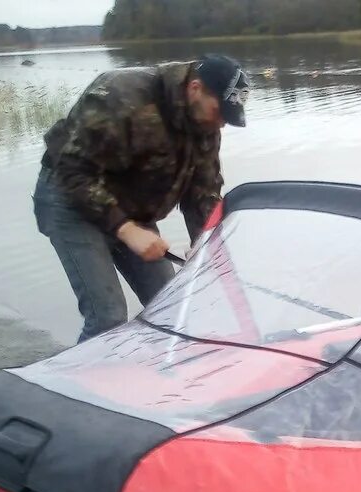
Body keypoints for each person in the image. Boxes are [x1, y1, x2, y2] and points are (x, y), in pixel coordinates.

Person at [32, 54, 251, 343]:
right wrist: (126, 230)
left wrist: (206, 246)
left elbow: (204, 193)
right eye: (219, 112)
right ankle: (73, 385)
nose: (222, 123)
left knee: (172, 309)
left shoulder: (206, 125)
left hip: (132, 209)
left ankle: (164, 381)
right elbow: (73, 171)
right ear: (195, 89)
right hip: (70, 200)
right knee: (107, 318)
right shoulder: (122, 94)